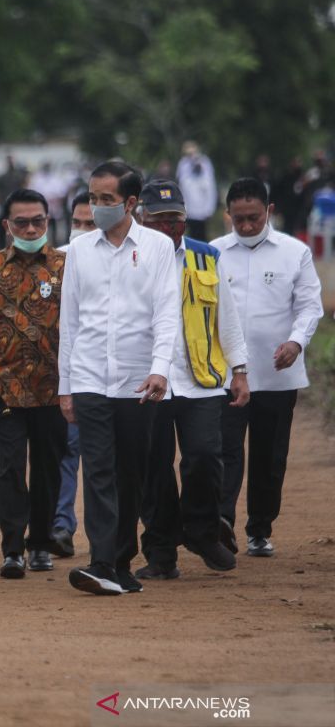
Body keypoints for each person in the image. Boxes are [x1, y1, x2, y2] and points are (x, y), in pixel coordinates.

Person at [58, 161, 180, 595]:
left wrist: (160, 369)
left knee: (131, 472)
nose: (97, 207)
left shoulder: (157, 248)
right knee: (98, 472)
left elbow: (168, 315)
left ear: (130, 202)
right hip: (90, 377)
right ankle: (102, 562)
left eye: (106, 199)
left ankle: (122, 565)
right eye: (93, 198)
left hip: (137, 381)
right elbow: (68, 323)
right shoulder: (79, 251)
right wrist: (66, 387)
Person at [134, 179, 250, 581]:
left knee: (203, 457)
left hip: (200, 379)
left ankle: (202, 531)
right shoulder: (128, 258)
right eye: (160, 220)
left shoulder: (206, 257)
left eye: (175, 219)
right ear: (140, 218)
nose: (169, 227)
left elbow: (226, 317)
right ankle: (162, 552)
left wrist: (239, 370)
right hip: (148, 381)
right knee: (154, 469)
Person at [212, 178, 324, 558]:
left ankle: (259, 527)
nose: (245, 226)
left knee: (269, 454)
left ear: (269, 212)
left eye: (254, 219)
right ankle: (221, 521)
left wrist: (296, 342)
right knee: (224, 449)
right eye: (238, 219)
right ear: (227, 215)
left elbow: (310, 305)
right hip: (225, 374)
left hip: (277, 372)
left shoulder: (295, 252)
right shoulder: (212, 253)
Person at [0, 189, 68, 579]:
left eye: (38, 221)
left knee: (48, 469)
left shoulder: (66, 266)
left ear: (48, 221)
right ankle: (12, 548)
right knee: (10, 468)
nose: (30, 228)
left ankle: (41, 544)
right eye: (22, 222)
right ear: (7, 225)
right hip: (4, 389)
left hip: (54, 388)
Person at [50, 192, 97, 558]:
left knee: (98, 457)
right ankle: (61, 524)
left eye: (90, 224)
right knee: (66, 449)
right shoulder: (54, 262)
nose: (81, 231)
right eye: (77, 223)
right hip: (58, 375)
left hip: (100, 375)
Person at [176, 141, 218, 241]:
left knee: (203, 236)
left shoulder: (205, 162)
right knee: (191, 236)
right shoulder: (183, 164)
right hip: (189, 208)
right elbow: (182, 185)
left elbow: (210, 187)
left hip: (203, 208)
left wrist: (210, 208)